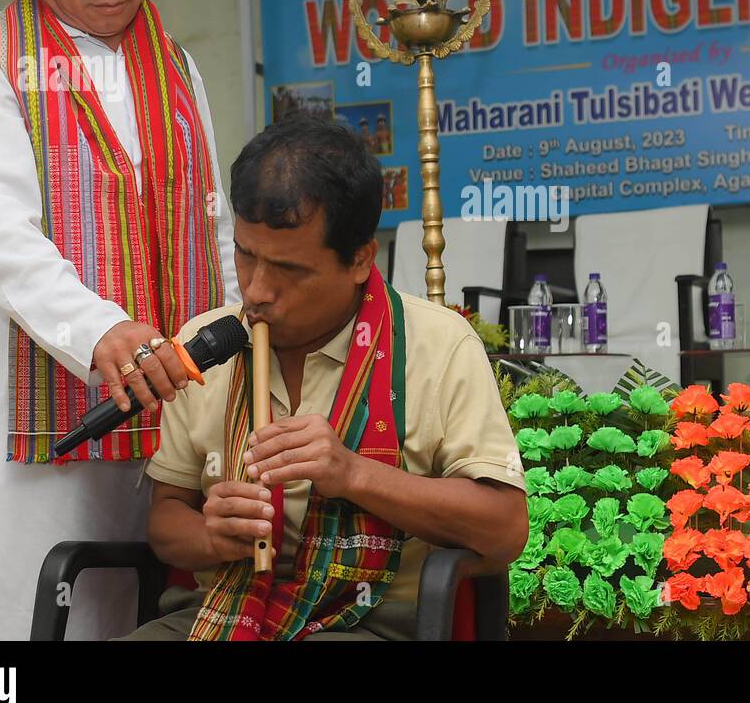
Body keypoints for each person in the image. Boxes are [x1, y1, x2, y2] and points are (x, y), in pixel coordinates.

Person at [0, 0, 237, 640]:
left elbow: (213, 232)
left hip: (170, 416)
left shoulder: (178, 66)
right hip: (36, 426)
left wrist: (234, 349)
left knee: (153, 615)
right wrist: (103, 332)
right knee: (38, 616)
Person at [119, 113, 527, 640]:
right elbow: (166, 520)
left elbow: (505, 528)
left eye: (288, 270)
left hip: (370, 623)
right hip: (221, 615)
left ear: (360, 260)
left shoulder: (438, 345)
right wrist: (212, 537)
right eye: (246, 256)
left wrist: (354, 474)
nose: (257, 290)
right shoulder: (205, 344)